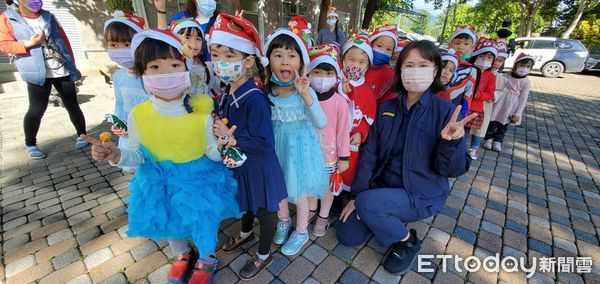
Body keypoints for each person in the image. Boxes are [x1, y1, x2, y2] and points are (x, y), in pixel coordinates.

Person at [81, 29, 240, 284]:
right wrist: (116, 154)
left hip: (198, 180)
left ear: (186, 69)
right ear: (142, 73)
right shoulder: (138, 115)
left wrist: (223, 145)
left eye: (175, 65)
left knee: (203, 222)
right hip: (159, 181)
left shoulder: (202, 110)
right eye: (155, 66)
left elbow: (212, 153)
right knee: (168, 220)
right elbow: (136, 155)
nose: (166, 73)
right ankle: (181, 255)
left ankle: (207, 258)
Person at [336, 40, 475, 275]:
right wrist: (356, 196)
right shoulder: (387, 107)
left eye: (423, 65)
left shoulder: (445, 112)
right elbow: (370, 155)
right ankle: (382, 213)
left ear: (435, 70)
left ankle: (407, 239)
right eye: (409, 64)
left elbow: (452, 169)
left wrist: (451, 143)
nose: (415, 70)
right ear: (400, 70)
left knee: (368, 205)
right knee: (347, 235)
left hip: (420, 192)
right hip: (382, 187)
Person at [209, 12, 288, 280]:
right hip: (241, 164)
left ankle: (264, 255)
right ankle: (245, 233)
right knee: (246, 203)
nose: (221, 62)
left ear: (248, 61)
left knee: (265, 211)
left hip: (259, 167)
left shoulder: (254, 98)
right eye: (216, 55)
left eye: (229, 56)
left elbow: (265, 141)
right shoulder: (227, 90)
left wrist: (232, 138)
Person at [264, 16, 328, 256]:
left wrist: (305, 95)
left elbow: (321, 122)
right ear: (269, 59)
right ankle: (284, 220)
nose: (284, 61)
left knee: (299, 193)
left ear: (300, 61)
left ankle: (301, 229)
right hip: (276, 150)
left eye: (291, 55)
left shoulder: (305, 90)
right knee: (278, 189)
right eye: (278, 54)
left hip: (300, 151)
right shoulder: (267, 90)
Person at [0, 0, 88, 159]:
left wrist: (71, 64)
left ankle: (82, 135)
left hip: (61, 68)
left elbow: (64, 42)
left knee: (72, 104)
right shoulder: (8, 18)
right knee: (36, 109)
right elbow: (4, 45)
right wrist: (29, 43)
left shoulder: (49, 16)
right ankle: (31, 144)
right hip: (36, 71)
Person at [307, 43, 350, 236]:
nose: (322, 79)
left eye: (328, 73)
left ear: (336, 76)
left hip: (329, 157)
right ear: (309, 73)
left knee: (327, 188)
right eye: (317, 72)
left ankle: (323, 215)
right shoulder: (305, 96)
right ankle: (310, 210)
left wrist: (344, 157)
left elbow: (343, 132)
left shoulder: (340, 102)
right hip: (307, 153)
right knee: (308, 184)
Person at [103, 11, 148, 172]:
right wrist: (117, 123)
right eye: (114, 45)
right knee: (137, 171)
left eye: (127, 44)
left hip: (151, 132)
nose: (120, 50)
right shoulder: (118, 76)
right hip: (128, 134)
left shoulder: (150, 74)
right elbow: (120, 103)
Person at [338, 35, 376, 195]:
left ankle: (342, 193)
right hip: (331, 134)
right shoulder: (334, 82)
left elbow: (369, 115)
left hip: (351, 136)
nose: (356, 65)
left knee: (348, 166)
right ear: (343, 60)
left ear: (368, 66)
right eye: (351, 59)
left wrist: (360, 132)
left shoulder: (367, 91)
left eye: (362, 62)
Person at [483, 53, 533, 152]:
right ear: (516, 65)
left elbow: (523, 98)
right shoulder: (506, 75)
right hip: (500, 101)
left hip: (511, 105)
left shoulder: (526, 82)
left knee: (504, 124)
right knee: (492, 121)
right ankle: (488, 139)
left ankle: (498, 141)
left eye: (528, 67)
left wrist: (518, 113)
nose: (524, 69)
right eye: (522, 66)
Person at [465, 37, 497, 160]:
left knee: (465, 132)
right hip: (461, 105)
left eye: (489, 58)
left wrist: (478, 95)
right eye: (482, 56)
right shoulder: (468, 69)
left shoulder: (490, 76)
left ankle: (461, 150)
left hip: (475, 108)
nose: (485, 60)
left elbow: (490, 93)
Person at [170, 18, 215, 98]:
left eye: (198, 39)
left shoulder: (208, 67)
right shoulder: (172, 68)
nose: (194, 44)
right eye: (187, 38)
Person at [479, 39, 508, 152]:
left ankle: (487, 140)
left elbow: (502, 91)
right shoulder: (480, 71)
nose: (496, 63)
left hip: (488, 104)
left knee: (485, 124)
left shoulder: (501, 78)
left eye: (500, 61)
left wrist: (494, 95)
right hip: (477, 101)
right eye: (495, 60)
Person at [446, 26, 480, 119]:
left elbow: (468, 95)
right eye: (457, 43)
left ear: (472, 47)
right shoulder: (441, 62)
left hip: (452, 112)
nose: (461, 47)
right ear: (450, 44)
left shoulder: (471, 70)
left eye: (466, 44)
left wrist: (461, 116)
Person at [365, 24, 398, 104]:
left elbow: (389, 101)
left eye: (388, 49)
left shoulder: (389, 75)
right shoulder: (360, 65)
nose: (383, 51)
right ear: (371, 44)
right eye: (379, 46)